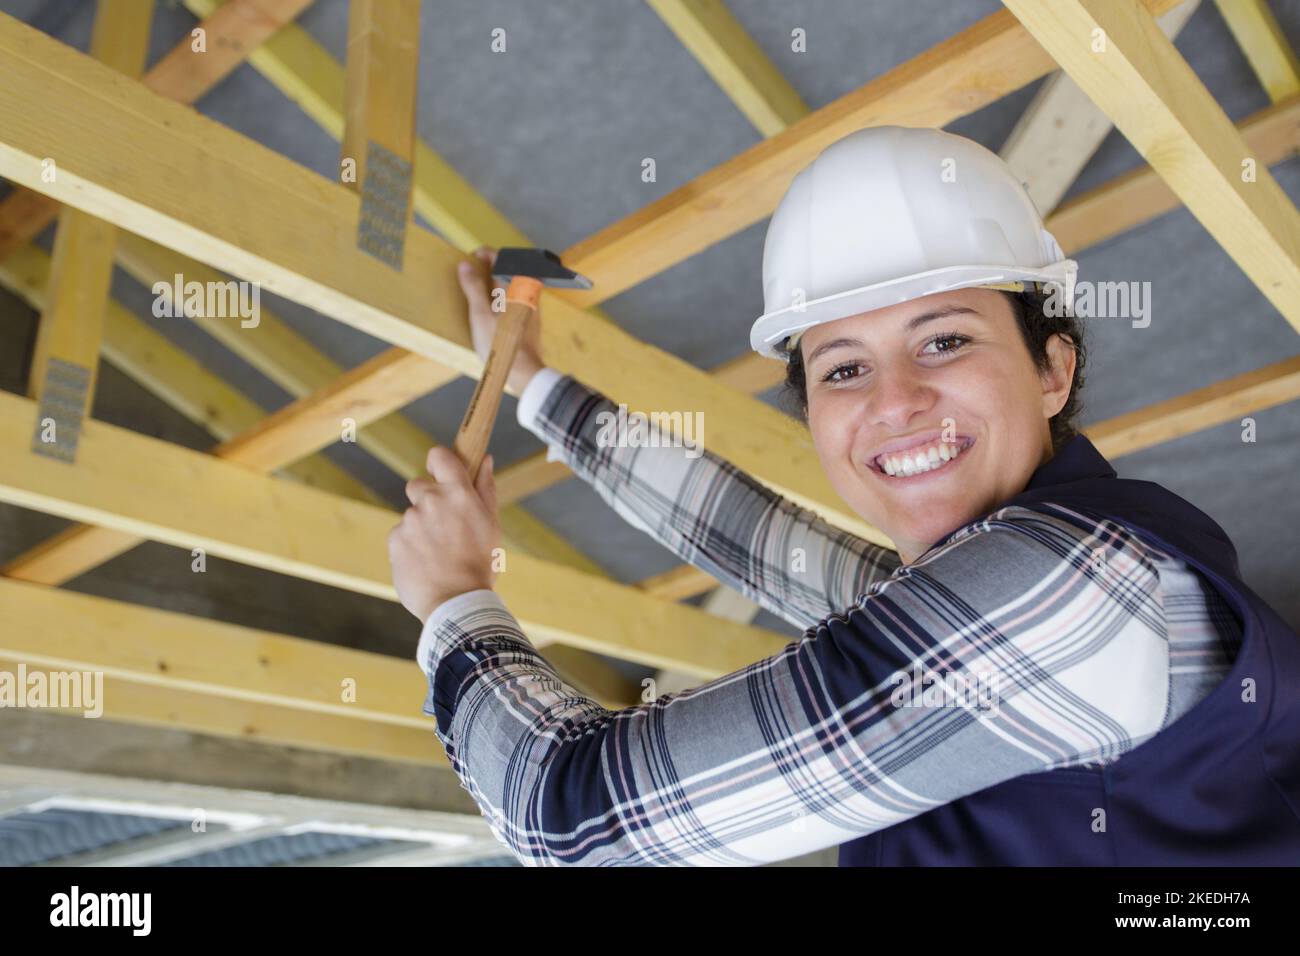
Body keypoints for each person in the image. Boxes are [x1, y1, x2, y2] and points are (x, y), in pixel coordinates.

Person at [387, 126, 1300, 866]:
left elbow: (572, 819)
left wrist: (453, 601)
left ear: (1052, 368)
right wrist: (539, 390)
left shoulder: (1066, 593)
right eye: (844, 367)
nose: (893, 402)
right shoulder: (1039, 564)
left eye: (943, 341)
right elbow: (754, 537)